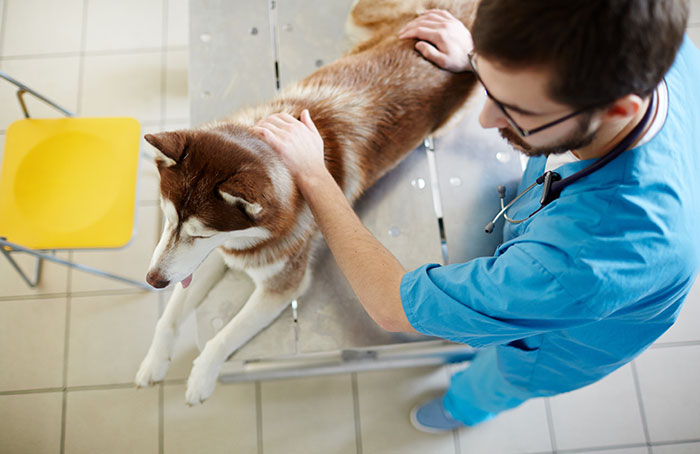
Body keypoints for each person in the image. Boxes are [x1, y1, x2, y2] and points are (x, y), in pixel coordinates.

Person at [252, 0, 700, 433]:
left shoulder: (588, 260)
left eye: (517, 111)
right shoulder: (649, 39)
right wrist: (476, 59)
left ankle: (462, 409)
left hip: (557, 346)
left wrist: (315, 174)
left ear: (619, 108)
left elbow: (392, 306)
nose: (485, 120)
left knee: (498, 380)